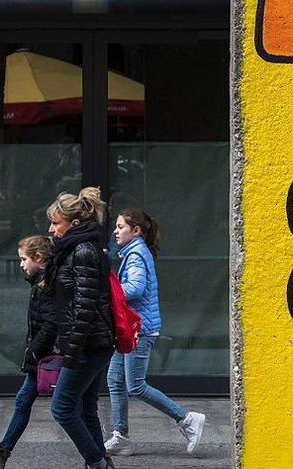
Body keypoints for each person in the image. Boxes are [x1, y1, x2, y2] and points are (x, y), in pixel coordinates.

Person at [105, 209, 206, 456]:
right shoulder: (134, 251)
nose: (116, 231)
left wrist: (109, 292)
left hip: (140, 330)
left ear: (136, 230)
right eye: (116, 227)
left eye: (121, 227)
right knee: (114, 379)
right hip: (131, 329)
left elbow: (136, 289)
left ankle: (186, 419)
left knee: (136, 386)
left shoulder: (137, 253)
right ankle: (121, 437)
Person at [0, 235, 58, 469]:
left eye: (24, 259)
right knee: (24, 401)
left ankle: (97, 458)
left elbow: (50, 323)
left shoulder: (46, 284)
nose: (20, 264)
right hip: (41, 356)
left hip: (46, 356)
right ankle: (0, 454)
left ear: (38, 258)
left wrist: (33, 351)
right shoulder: (40, 282)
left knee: (70, 411)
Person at [45, 187, 117, 469]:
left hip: (89, 345)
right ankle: (101, 463)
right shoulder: (73, 248)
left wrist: (72, 350)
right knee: (86, 408)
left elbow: (85, 306)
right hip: (90, 343)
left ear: (74, 223)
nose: (51, 229)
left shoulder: (83, 250)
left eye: (56, 223)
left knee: (62, 408)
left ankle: (95, 461)